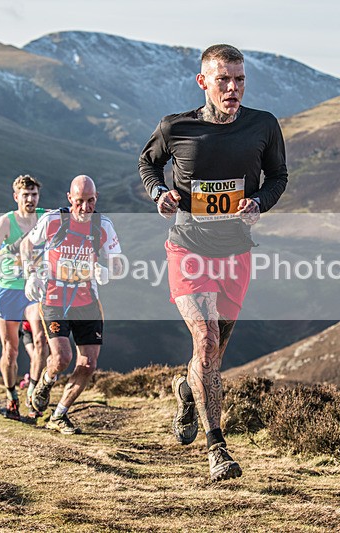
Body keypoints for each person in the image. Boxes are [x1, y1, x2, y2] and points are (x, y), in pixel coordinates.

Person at [138, 44, 288, 481]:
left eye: (240, 80)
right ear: (203, 81)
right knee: (204, 340)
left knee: (212, 357)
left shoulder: (263, 126)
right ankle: (217, 448)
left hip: (236, 253)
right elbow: (148, 164)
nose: (233, 88)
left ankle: (187, 388)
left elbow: (278, 176)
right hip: (188, 248)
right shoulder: (176, 127)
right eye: (224, 79)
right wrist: (158, 193)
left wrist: (260, 201)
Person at [22, 175, 122, 435]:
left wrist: (107, 268)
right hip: (55, 297)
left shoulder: (103, 225)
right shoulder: (54, 220)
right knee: (62, 357)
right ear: (70, 199)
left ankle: (59, 414)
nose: (85, 209)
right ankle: (46, 380)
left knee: (88, 364)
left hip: (87, 300)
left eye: (90, 202)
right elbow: (26, 245)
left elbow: (118, 261)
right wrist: (30, 273)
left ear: (96, 198)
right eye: (79, 202)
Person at [0, 175, 49, 421]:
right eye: (26, 195)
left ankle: (32, 394)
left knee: (41, 339)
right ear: (16, 197)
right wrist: (5, 250)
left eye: (34, 195)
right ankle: (11, 398)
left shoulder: (44, 216)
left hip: (34, 288)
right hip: (9, 288)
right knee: (11, 350)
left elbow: (69, 214)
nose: (30, 200)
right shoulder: (6, 222)